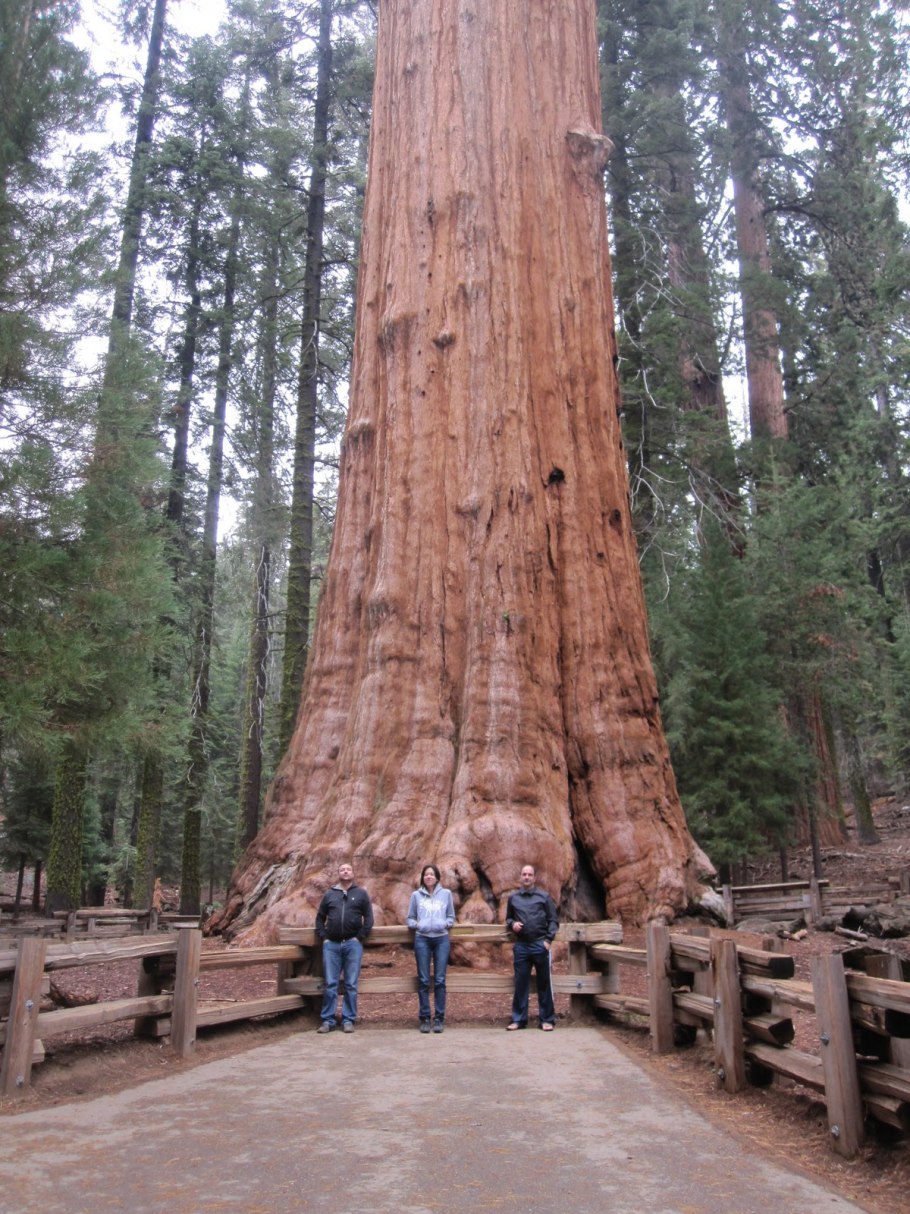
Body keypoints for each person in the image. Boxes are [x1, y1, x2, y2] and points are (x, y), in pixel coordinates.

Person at [315, 861, 373, 1033]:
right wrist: (324, 937)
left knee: (351, 984)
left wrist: (359, 937)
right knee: (331, 983)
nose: (345, 872)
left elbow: (369, 919)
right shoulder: (330, 894)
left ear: (353, 873)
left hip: (352, 944)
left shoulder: (361, 894)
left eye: (348, 869)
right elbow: (320, 918)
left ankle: (348, 1019)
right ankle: (328, 1020)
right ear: (338, 873)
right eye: (342, 869)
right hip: (331, 945)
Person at [505, 863, 558, 1031]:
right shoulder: (513, 898)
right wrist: (512, 924)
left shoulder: (544, 897)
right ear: (520, 877)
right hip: (522, 946)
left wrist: (548, 941)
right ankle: (519, 1019)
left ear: (534, 878)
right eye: (524, 874)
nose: (526, 877)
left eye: (529, 874)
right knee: (521, 983)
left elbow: (553, 921)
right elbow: (508, 918)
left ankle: (547, 1019)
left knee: (544, 983)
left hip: (539, 944)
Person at [406, 863, 455, 1033]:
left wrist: (445, 924)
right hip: (422, 940)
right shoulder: (416, 896)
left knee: (440, 980)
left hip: (441, 939)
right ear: (422, 877)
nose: (428, 877)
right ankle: (425, 1017)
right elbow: (410, 918)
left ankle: (439, 1018)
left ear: (437, 877)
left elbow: (451, 916)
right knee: (424, 980)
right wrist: (417, 925)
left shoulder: (446, 894)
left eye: (431, 874)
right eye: (426, 874)